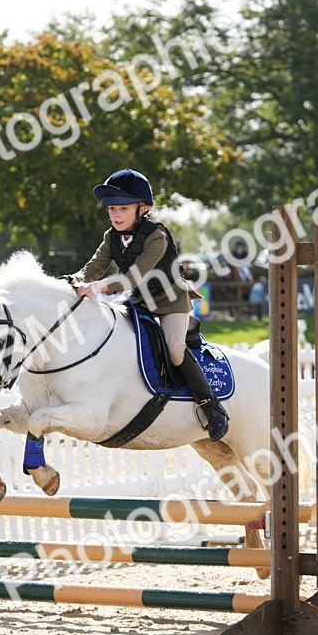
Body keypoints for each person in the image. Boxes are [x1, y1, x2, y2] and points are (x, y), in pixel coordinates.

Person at [68, 168, 228, 441]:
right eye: (112, 209)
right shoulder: (111, 237)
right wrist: (75, 279)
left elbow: (135, 275)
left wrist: (100, 287)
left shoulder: (157, 236)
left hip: (170, 299)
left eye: (123, 209)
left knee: (175, 350)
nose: (116, 215)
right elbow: (95, 266)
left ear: (143, 209)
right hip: (140, 299)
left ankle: (211, 405)